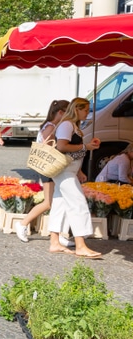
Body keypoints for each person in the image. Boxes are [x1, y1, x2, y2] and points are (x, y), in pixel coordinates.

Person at [47, 98, 102, 258]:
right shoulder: (67, 125)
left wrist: (79, 171)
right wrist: (86, 146)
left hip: (69, 170)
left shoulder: (74, 126)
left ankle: (55, 242)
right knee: (78, 203)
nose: (88, 113)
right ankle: (80, 245)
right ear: (77, 109)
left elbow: (72, 152)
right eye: (85, 110)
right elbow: (62, 146)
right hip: (64, 171)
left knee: (59, 203)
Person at [15, 101, 71, 244]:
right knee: (49, 202)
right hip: (48, 167)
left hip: (48, 167)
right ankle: (22, 224)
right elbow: (49, 147)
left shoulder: (49, 125)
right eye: (67, 112)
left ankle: (59, 235)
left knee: (57, 202)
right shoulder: (51, 127)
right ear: (60, 112)